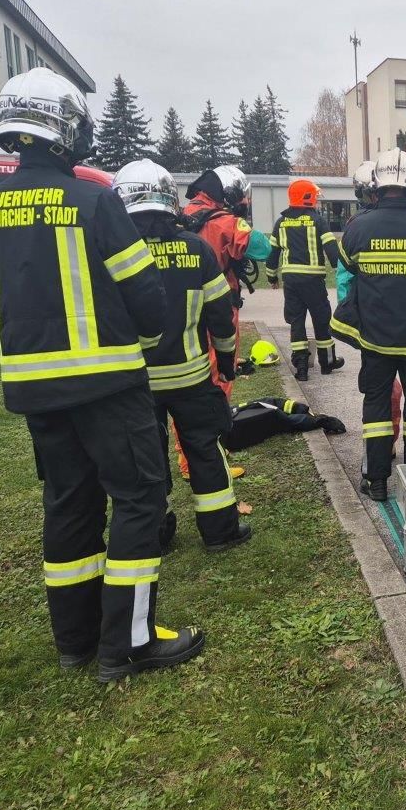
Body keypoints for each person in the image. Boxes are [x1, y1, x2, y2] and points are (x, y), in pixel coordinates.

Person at [0, 68, 203, 681]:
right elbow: (145, 295)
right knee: (139, 499)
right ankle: (129, 643)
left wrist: (25, 346)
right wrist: (137, 343)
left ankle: (76, 640)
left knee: (69, 503)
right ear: (67, 130)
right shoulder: (94, 201)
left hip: (37, 392)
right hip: (109, 383)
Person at [112, 158, 251, 553]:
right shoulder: (196, 249)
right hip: (191, 377)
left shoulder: (113, 253)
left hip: (135, 382)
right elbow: (220, 315)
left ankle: (156, 532)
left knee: (145, 459)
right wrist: (226, 363)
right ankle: (220, 531)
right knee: (205, 451)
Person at [331, 149, 406, 502]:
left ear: (377, 184)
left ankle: (377, 479)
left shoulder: (358, 228)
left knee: (376, 404)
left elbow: (348, 266)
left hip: (376, 339)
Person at [175, 165, 268, 478]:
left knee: (185, 385)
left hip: (181, 310)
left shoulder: (179, 215)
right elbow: (262, 248)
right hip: (219, 309)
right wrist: (241, 217)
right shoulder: (226, 222)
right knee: (219, 378)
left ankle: (187, 459)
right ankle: (210, 453)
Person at [265, 178, 343, 381]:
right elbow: (331, 249)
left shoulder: (281, 222)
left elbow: (273, 254)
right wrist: (340, 271)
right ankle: (327, 362)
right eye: (315, 197)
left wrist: (271, 277)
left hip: (291, 281)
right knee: (321, 319)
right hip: (313, 280)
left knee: (296, 320)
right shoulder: (318, 220)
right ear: (307, 198)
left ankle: (301, 366)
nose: (317, 200)